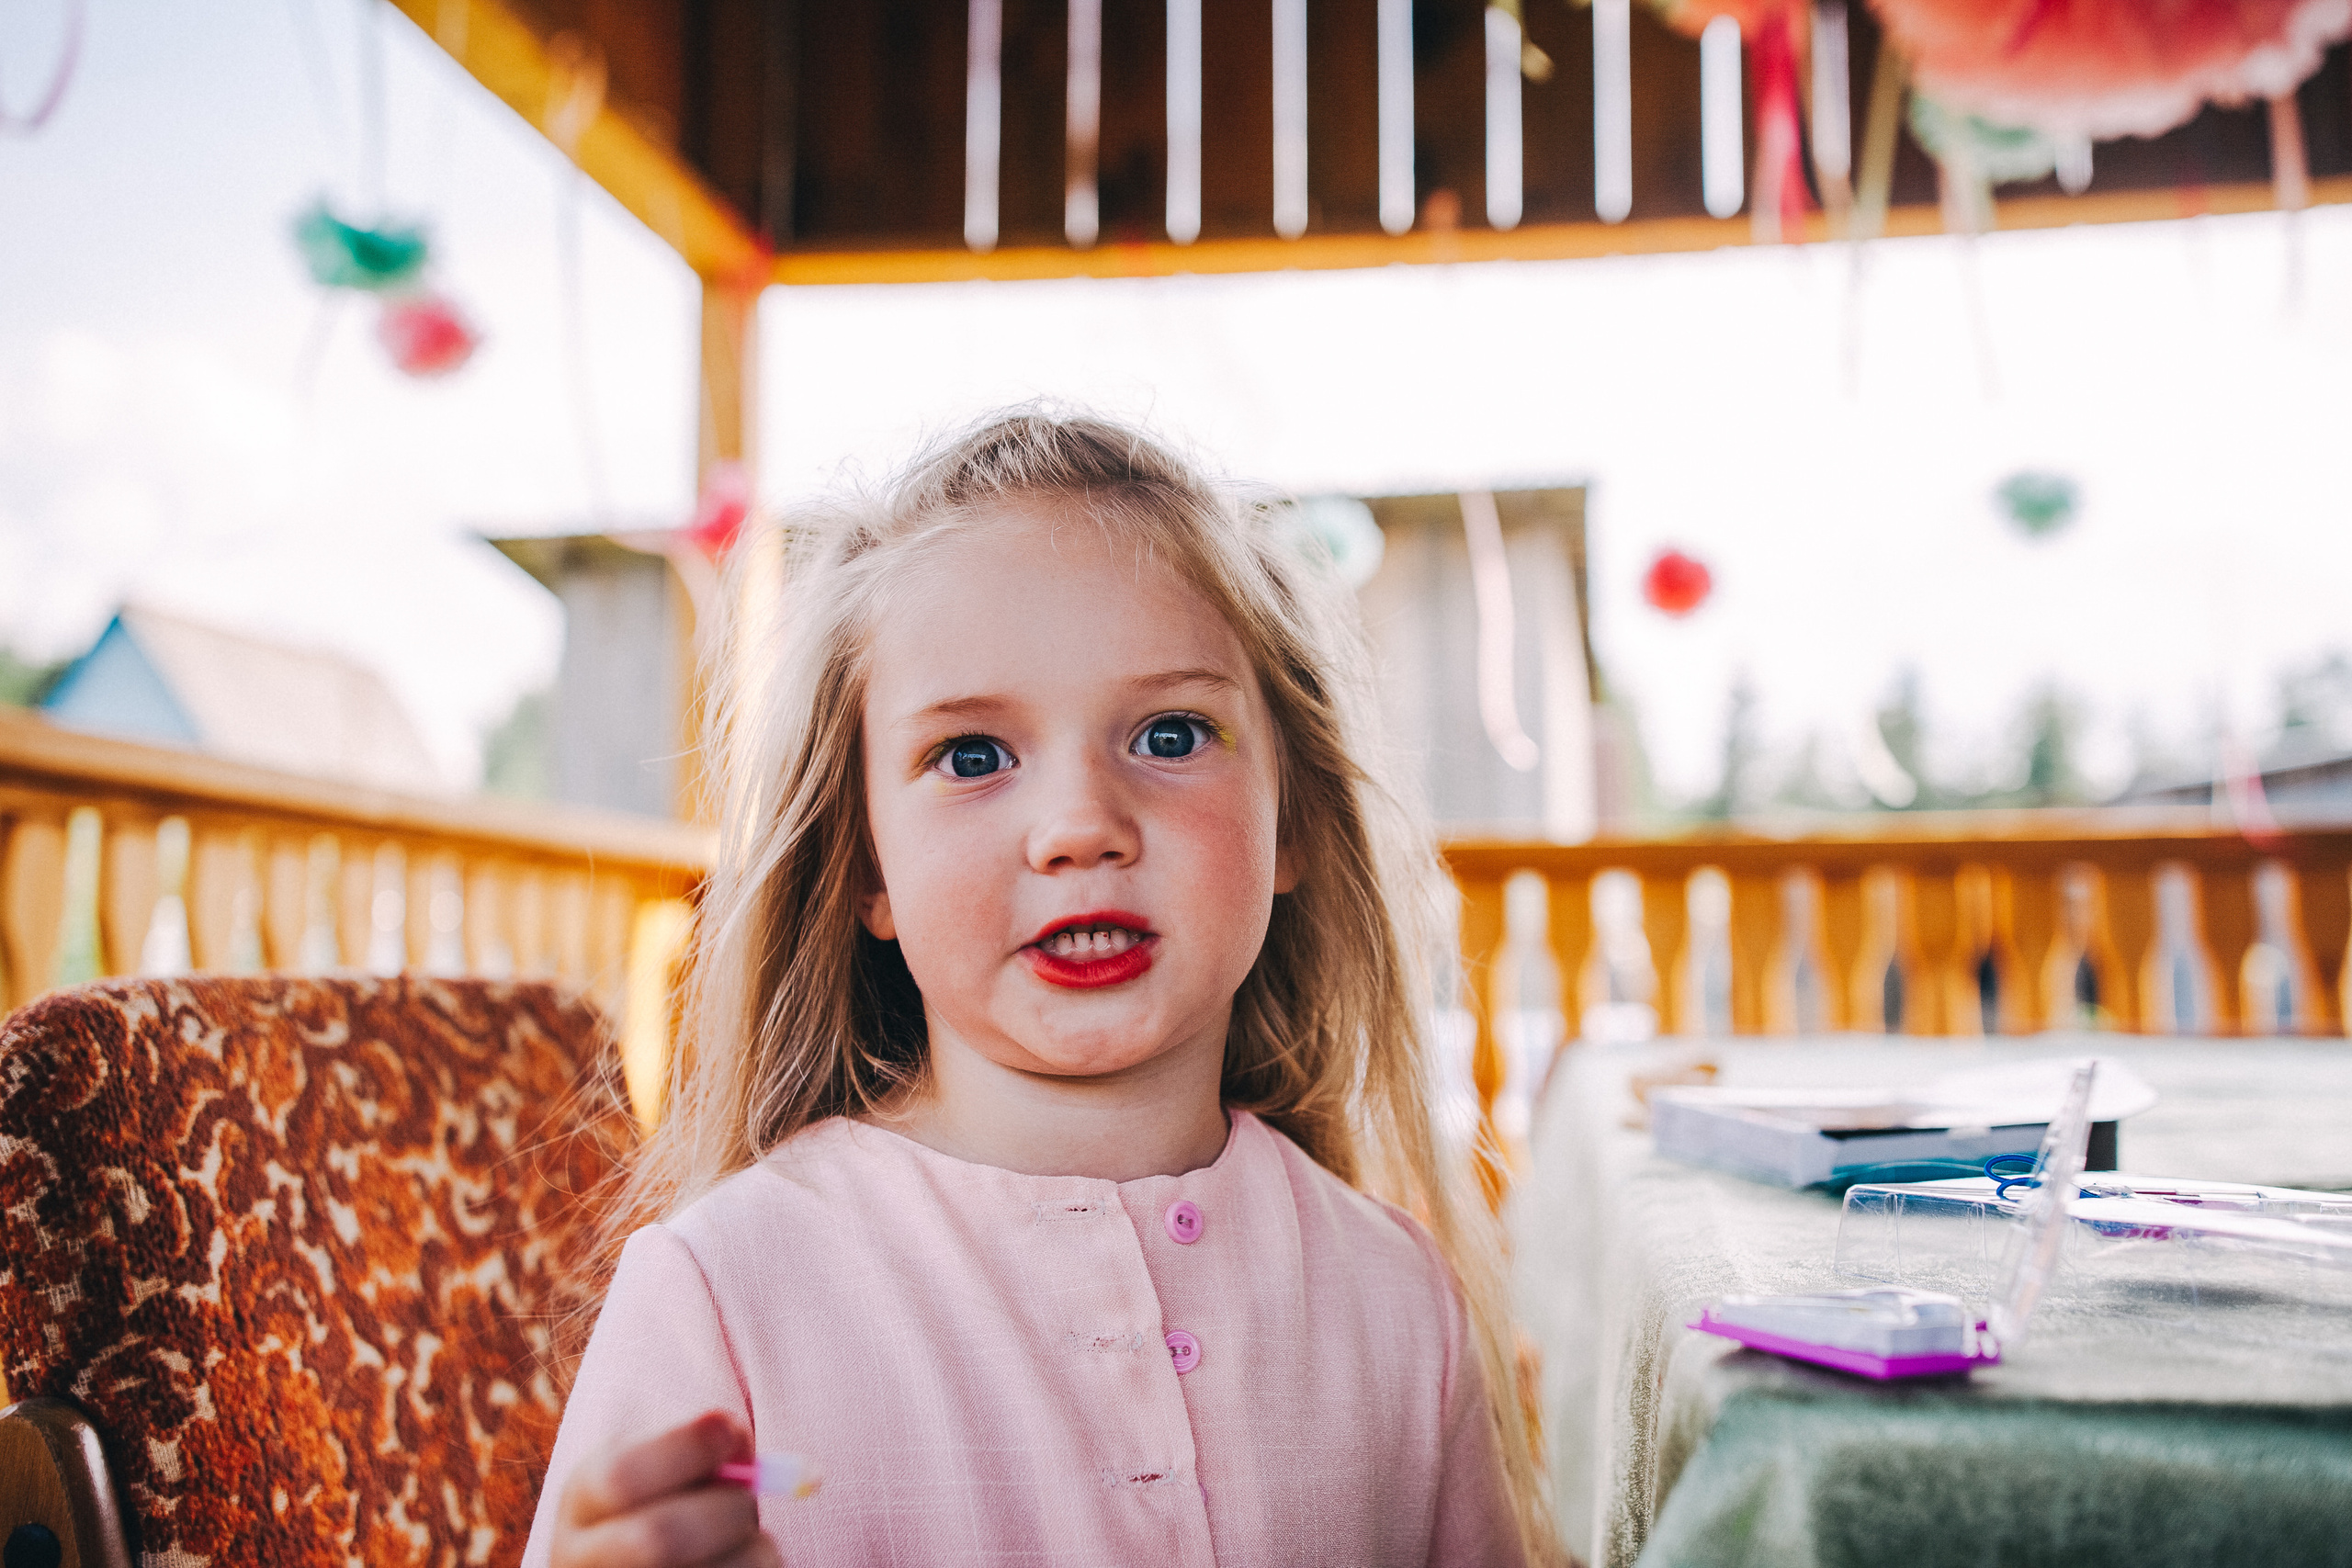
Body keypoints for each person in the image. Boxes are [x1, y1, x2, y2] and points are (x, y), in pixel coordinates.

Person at [526, 411, 1554, 1568]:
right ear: (866, 863)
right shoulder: (726, 1296)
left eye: (1170, 734)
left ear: (1295, 822)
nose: (1078, 827)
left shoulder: (1398, 1303)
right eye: (971, 757)